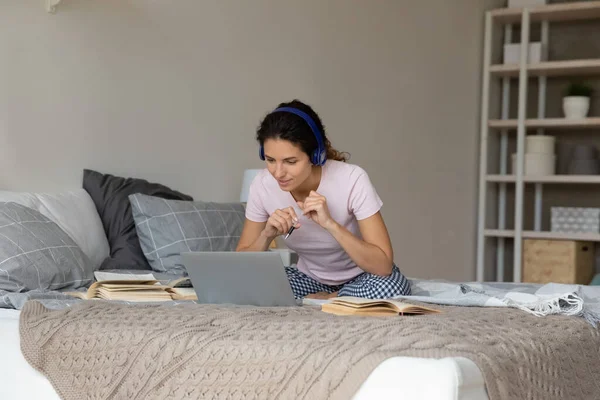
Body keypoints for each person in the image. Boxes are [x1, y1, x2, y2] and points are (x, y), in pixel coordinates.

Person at [236, 100, 411, 300]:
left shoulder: (352, 179)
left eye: (290, 162)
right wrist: (266, 235)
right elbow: (241, 266)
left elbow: (383, 265)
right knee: (245, 287)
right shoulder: (261, 185)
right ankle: (337, 299)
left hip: (364, 277)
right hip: (308, 279)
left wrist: (330, 224)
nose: (278, 173)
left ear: (316, 155)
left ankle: (332, 297)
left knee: (391, 289)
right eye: (270, 160)